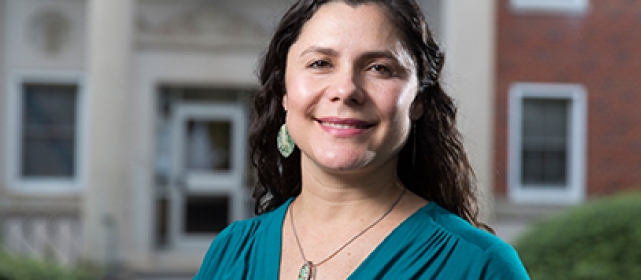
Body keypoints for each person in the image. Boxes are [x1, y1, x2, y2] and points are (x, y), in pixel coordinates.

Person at [194, 0, 529, 279]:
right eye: (320, 63)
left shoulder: (479, 265)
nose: (346, 90)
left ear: (419, 101)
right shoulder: (230, 253)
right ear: (284, 92)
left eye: (379, 68)